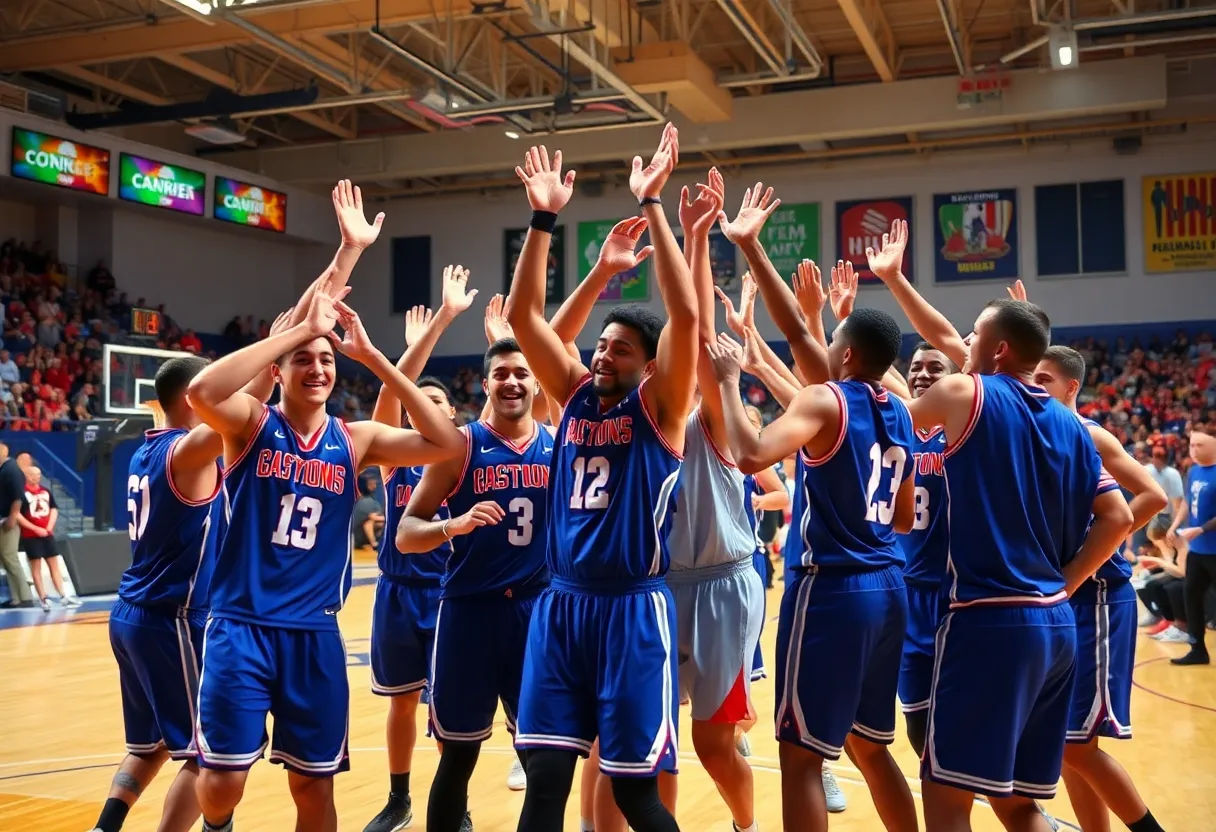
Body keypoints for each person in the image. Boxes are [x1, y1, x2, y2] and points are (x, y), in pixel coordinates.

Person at [187, 185, 465, 832]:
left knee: (314, 794)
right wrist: (317, 301)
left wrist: (371, 356)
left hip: (313, 633)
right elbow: (203, 388)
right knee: (222, 781)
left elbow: (447, 442)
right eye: (303, 361)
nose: (318, 367)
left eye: (324, 360)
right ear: (280, 372)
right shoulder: (249, 426)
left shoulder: (355, 439)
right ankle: (218, 825)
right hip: (240, 625)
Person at [507, 128, 697, 832]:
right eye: (600, 344)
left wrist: (653, 205)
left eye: (619, 348)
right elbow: (527, 318)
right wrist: (542, 221)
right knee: (545, 779)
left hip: (631, 609)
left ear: (649, 364)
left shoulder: (664, 410)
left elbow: (686, 315)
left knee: (635, 794)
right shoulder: (575, 392)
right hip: (561, 606)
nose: (601, 353)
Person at [902, 295, 1133, 831]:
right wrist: (1067, 582)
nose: (965, 345)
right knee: (1019, 804)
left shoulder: (964, 391)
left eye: (974, 335)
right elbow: (1118, 517)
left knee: (946, 797)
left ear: (999, 349)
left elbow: (880, 431)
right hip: (1055, 624)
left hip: (988, 620)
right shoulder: (1074, 425)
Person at [705, 306, 918, 832]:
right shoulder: (902, 413)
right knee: (870, 748)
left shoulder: (826, 398)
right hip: (890, 586)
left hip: (833, 591)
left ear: (845, 354)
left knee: (801, 756)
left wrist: (730, 381)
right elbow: (907, 516)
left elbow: (751, 454)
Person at [397, 337, 553, 832]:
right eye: (501, 373)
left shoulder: (560, 443)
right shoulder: (460, 446)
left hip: (536, 614)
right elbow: (405, 534)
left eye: (522, 373)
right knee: (458, 756)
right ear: (485, 384)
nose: (512, 381)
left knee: (540, 760)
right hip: (469, 614)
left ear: (535, 383)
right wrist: (452, 524)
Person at [654, 165, 764, 832]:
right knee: (657, 741)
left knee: (710, 744)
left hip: (723, 586)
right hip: (660, 587)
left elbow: (692, 329)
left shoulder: (714, 420)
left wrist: (696, 239)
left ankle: (746, 827)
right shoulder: (644, 424)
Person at [1033, 345, 1169, 832]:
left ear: (1071, 388)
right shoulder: (1040, 435)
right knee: (1068, 742)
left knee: (1073, 744)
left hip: (1096, 600)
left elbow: (1152, 495)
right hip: (1063, 600)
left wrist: (1103, 543)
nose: (1035, 384)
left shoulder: (1088, 433)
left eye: (1045, 379)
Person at [88, 356, 225, 832]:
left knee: (151, 745)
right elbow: (247, 407)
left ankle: (105, 826)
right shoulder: (187, 453)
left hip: (130, 613)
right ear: (195, 397)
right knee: (209, 752)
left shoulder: (144, 451)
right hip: (172, 617)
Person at [363, 280, 478, 832]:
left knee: (446, 714)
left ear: (452, 414)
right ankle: (399, 798)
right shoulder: (394, 458)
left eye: (434, 403)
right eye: (417, 404)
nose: (421, 409)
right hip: (396, 591)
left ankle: (454, 804)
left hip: (447, 593)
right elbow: (391, 395)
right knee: (401, 703)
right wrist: (437, 326)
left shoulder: (460, 457)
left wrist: (446, 320)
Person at [895, 343, 955, 756]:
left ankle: (1017, 801)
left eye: (936, 368)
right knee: (916, 716)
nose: (922, 374)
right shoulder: (897, 427)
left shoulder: (960, 432)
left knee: (971, 711)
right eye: (915, 367)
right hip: (904, 592)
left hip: (957, 592)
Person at [1168, 426, 1216, 666]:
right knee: (1191, 595)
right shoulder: (1194, 471)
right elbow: (1187, 501)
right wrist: (1175, 523)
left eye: (1200, 445)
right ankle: (1197, 649)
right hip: (1198, 550)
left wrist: (1202, 528)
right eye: (1192, 445)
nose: (1194, 450)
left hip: (1214, 549)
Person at [18, 465, 78, 610]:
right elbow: (18, 515)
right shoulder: (21, 494)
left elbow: (53, 509)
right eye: (33, 475)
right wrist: (35, 529)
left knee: (54, 565)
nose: (37, 477)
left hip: (47, 534)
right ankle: (43, 598)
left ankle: (63, 595)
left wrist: (49, 527)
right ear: (27, 476)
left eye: (39, 474)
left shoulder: (46, 492)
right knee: (36, 567)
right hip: (31, 536)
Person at [0, 441, 33, 607]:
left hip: (8, 521)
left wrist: (13, 517)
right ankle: (17, 598)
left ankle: (25, 597)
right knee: (6, 559)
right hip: (4, 520)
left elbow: (18, 496)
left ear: (4, 450)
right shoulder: (4, 469)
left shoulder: (11, 469)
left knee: (10, 558)